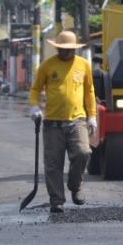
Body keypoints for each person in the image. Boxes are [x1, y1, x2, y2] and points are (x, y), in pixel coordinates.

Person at [27, 30, 98, 214]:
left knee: (83, 152)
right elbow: (35, 89)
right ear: (57, 48)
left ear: (74, 49)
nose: (66, 52)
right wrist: (34, 107)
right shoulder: (47, 66)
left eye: (69, 49)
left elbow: (89, 91)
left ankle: (75, 185)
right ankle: (56, 200)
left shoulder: (83, 65)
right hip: (52, 124)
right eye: (62, 49)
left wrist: (92, 116)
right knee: (53, 164)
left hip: (77, 121)